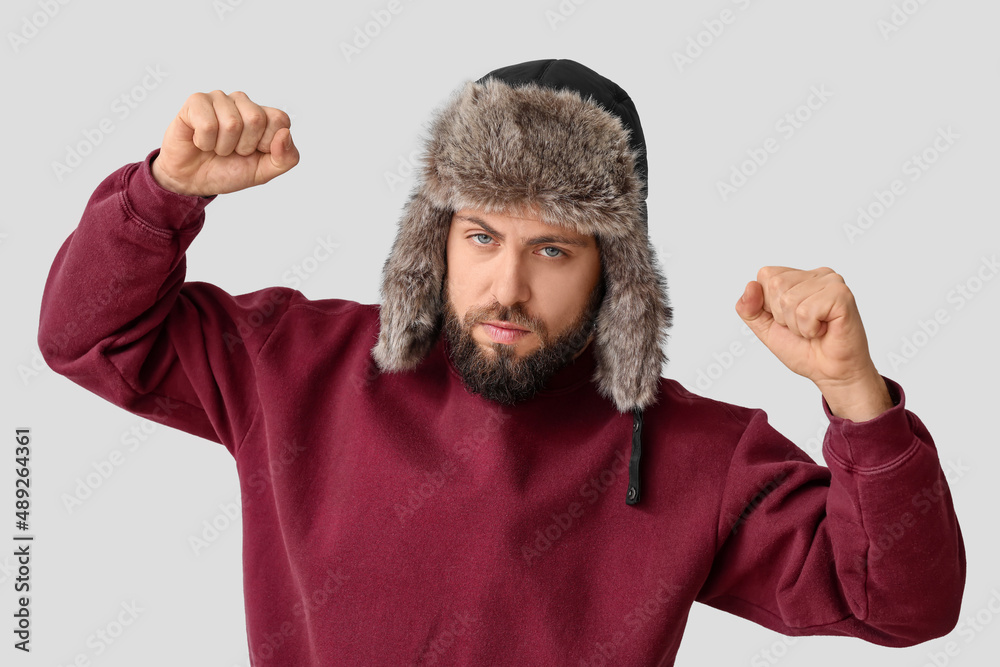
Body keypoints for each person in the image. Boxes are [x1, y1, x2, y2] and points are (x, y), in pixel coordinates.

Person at [38, 59, 965, 666]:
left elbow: (899, 602)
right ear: (437, 238)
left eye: (554, 248)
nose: (507, 287)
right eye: (481, 235)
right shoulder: (299, 365)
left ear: (616, 270)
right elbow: (89, 336)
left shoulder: (699, 455)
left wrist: (858, 399)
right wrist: (161, 194)